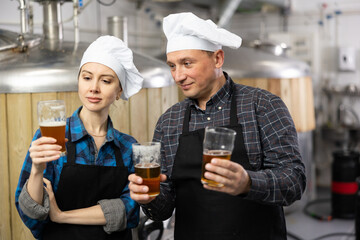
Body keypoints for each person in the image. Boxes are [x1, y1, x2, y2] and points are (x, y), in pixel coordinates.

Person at [128, 12, 306, 240]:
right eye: (172, 66)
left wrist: (248, 183)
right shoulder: (169, 121)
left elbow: (294, 180)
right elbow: (165, 207)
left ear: (218, 59)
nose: (178, 76)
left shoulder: (263, 106)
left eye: (187, 63)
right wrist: (149, 197)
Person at [15, 35, 143, 240]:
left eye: (106, 80)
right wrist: (37, 170)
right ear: (78, 82)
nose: (94, 87)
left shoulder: (128, 147)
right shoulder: (49, 137)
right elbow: (31, 215)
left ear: (119, 91)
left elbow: (129, 211)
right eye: (87, 77)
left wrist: (62, 216)